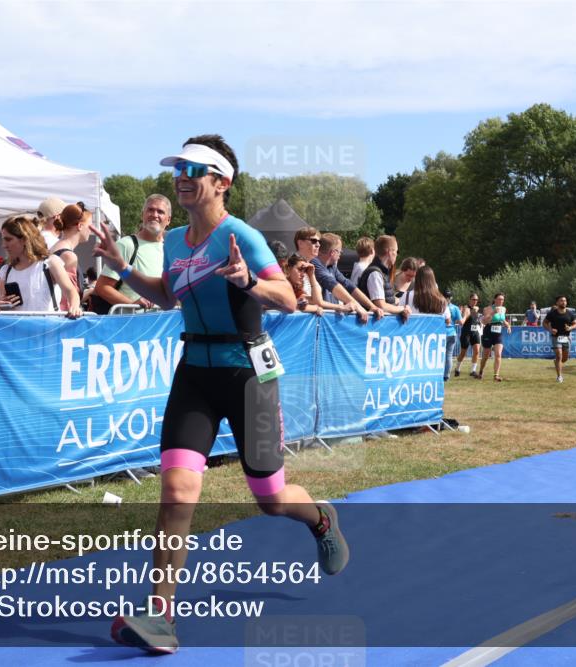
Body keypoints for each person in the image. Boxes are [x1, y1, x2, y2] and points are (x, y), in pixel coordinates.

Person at [97, 135, 349, 654]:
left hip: (248, 377)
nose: (181, 176)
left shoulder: (243, 236)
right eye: (177, 169)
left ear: (221, 182)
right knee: (176, 493)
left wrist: (247, 281)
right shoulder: (172, 242)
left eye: (193, 169)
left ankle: (321, 517)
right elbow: (168, 295)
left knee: (271, 499)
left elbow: (289, 300)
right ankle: (160, 616)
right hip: (195, 374)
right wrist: (122, 271)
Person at [92, 194, 171, 313]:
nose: (154, 215)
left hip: (162, 326)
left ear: (168, 220)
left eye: (160, 212)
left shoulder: (171, 248)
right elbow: (102, 287)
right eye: (150, 210)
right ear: (142, 214)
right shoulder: (127, 245)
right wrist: (131, 305)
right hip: (131, 325)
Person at [0, 215, 82, 318]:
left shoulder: (50, 263)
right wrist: (2, 304)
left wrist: (74, 307)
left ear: (24, 239)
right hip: (19, 331)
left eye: (8, 239)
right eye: (3, 240)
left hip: (49, 330)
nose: (3, 245)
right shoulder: (5, 271)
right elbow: (2, 310)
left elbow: (71, 291)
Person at [311, 232, 380, 321]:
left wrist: (372, 306)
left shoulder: (332, 267)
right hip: (318, 322)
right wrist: (358, 307)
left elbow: (349, 285)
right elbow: (333, 284)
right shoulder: (315, 263)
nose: (341, 254)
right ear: (333, 252)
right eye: (340, 251)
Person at [50, 204, 104, 312]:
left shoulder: (55, 248)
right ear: (79, 226)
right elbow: (69, 300)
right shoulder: (69, 256)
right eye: (90, 225)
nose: (91, 230)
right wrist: (93, 290)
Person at [357, 235, 411, 320]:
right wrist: (402, 309)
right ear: (390, 252)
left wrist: (396, 301)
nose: (397, 255)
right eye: (396, 251)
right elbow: (381, 306)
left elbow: (386, 301)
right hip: (374, 328)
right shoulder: (375, 273)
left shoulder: (382, 273)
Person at [477, 293, 511, 381]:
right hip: (488, 331)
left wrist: (508, 325)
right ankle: (481, 371)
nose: (501, 301)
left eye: (502, 299)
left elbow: (502, 319)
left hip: (498, 333)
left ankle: (496, 376)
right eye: (499, 299)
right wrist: (493, 312)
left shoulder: (503, 309)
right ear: (494, 299)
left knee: (498, 354)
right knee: (486, 355)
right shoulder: (487, 308)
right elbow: (484, 321)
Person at [544, 295, 576, 382]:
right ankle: (559, 377)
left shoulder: (570, 313)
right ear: (557, 302)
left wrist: (570, 328)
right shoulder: (552, 313)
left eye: (565, 301)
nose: (564, 302)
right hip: (556, 337)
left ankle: (557, 362)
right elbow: (544, 323)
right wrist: (550, 330)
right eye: (561, 301)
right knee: (559, 355)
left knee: (565, 358)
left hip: (566, 337)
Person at [454, 293, 482, 377]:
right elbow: (465, 318)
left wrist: (479, 322)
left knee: (477, 351)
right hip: (466, 333)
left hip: (475, 332)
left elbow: (475, 319)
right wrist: (462, 319)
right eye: (473, 299)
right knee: (463, 353)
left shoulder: (476, 308)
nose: (475, 301)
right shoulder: (467, 309)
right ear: (469, 300)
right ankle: (457, 368)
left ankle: (473, 371)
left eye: (476, 300)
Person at [442, 289, 463, 382]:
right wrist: (466, 314)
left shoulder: (439, 306)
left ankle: (439, 374)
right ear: (451, 298)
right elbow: (461, 322)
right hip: (452, 333)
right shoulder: (455, 308)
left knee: (440, 355)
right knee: (449, 355)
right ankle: (446, 376)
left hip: (441, 333)